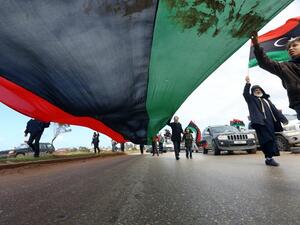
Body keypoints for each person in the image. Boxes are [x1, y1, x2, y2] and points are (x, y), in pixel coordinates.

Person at [251, 32, 300, 119]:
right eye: (289, 47)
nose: (290, 49)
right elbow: (265, 63)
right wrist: (256, 45)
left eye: (294, 45)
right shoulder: (285, 67)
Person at [243, 75, 288, 166]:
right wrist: (247, 83)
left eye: (259, 89)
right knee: (266, 140)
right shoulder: (251, 100)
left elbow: (275, 111)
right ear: (253, 92)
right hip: (260, 123)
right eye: (255, 90)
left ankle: (269, 158)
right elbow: (245, 94)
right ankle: (269, 158)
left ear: (262, 91)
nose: (258, 90)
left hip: (270, 123)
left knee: (271, 139)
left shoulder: (267, 101)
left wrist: (283, 119)